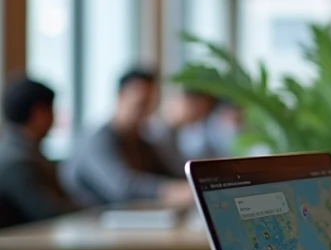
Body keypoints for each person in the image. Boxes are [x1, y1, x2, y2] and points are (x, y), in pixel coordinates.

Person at [61, 69, 192, 207]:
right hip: (88, 221)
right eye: (140, 103)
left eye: (150, 104)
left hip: (123, 219)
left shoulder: (140, 141)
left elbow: (168, 173)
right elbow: (122, 187)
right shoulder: (97, 140)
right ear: (120, 96)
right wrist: (171, 191)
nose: (146, 110)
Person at [0, 75, 77, 226]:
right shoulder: (16, 161)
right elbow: (49, 212)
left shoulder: (29, 153)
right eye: (52, 110)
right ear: (39, 113)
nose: (54, 118)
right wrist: (98, 210)